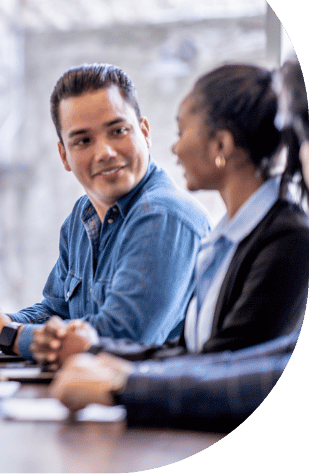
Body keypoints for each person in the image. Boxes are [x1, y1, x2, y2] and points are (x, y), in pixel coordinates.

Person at [50, 59, 309, 432]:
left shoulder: (287, 240)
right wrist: (99, 354)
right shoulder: (226, 238)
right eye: (83, 140)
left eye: (182, 130)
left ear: (220, 144)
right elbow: (196, 354)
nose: (174, 148)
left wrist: (124, 382)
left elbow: (236, 369)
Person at [0, 64, 210, 359]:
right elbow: (55, 311)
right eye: (83, 141)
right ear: (64, 155)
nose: (105, 152)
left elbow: (120, 338)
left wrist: (7, 336)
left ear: (144, 132)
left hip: (151, 400)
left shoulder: (164, 216)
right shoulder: (82, 216)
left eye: (118, 131)